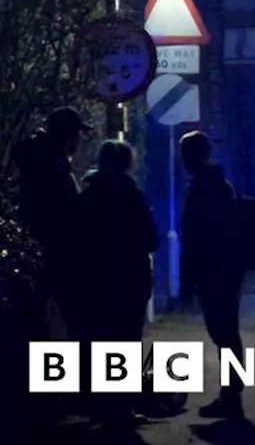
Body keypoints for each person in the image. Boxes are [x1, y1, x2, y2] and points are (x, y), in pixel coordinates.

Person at [73, 140, 159, 430]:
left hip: (94, 281)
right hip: (127, 281)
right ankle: (120, 409)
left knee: (97, 340)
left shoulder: (89, 193)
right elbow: (150, 238)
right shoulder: (130, 195)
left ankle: (98, 407)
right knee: (124, 343)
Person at [178, 130, 246, 420]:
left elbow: (197, 234)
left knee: (224, 333)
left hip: (214, 270)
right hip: (227, 269)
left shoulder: (203, 188)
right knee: (226, 333)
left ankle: (232, 397)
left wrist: (191, 271)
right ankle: (231, 395)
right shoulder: (221, 185)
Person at [12, 107, 92, 341]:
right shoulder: (52, 167)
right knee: (72, 323)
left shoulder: (44, 161)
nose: (79, 142)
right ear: (68, 136)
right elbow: (63, 213)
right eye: (76, 135)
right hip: (57, 255)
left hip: (46, 255)